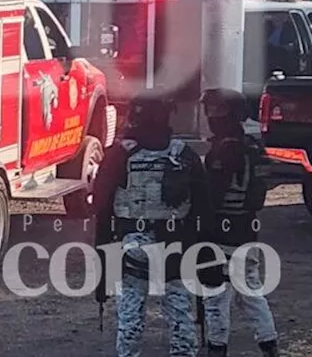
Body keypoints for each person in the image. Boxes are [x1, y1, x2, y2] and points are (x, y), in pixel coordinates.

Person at [91, 94, 213, 357]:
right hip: (176, 249)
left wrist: (103, 271)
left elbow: (102, 211)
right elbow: (204, 210)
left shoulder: (119, 155)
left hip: (131, 248)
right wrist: (202, 256)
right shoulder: (185, 154)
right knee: (180, 317)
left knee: (130, 321)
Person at [200, 88, 279, 357]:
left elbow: (212, 194)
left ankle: (217, 347)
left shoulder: (225, 150)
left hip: (222, 228)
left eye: (216, 111)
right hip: (247, 227)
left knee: (215, 292)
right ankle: (269, 344)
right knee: (251, 291)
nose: (211, 116)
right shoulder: (253, 146)